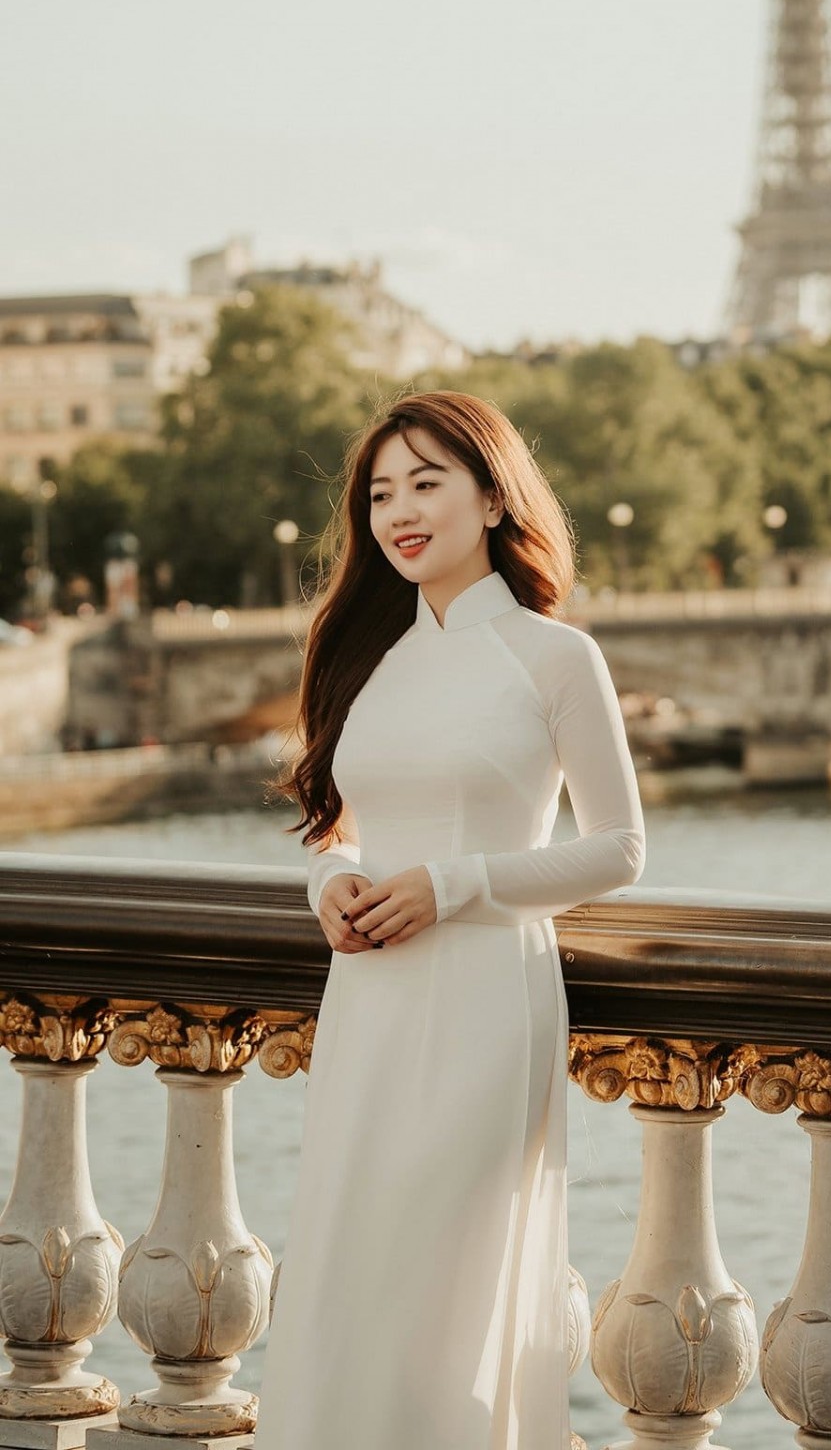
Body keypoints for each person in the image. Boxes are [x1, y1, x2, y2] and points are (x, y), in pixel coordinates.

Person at [253, 389, 647, 1450]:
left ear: (490, 494)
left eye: (427, 481)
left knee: (447, 1278)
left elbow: (618, 849)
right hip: (370, 998)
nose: (400, 511)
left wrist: (453, 884)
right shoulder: (361, 657)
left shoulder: (554, 657)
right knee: (351, 1259)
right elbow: (336, 830)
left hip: (482, 996)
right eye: (381, 493)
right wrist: (324, 886)